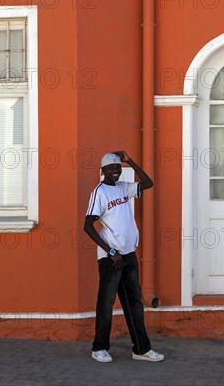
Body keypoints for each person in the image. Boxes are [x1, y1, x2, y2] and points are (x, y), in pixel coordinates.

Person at [83, 151, 163, 363]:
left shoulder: (123, 188)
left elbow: (147, 183)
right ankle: (99, 348)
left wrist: (129, 160)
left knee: (133, 304)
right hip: (111, 258)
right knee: (106, 303)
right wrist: (111, 252)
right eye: (111, 168)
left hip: (128, 256)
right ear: (103, 171)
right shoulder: (99, 193)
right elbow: (87, 226)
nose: (115, 172)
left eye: (118, 168)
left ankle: (141, 349)